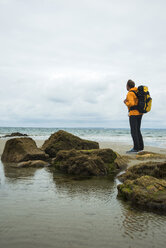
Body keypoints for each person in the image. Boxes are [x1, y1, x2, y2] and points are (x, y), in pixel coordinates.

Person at [124, 79, 144, 153]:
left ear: (128, 86)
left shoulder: (130, 93)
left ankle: (136, 148)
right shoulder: (137, 91)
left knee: (133, 131)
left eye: (126, 85)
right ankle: (140, 147)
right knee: (138, 130)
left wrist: (126, 102)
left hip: (133, 114)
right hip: (140, 113)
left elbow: (131, 104)